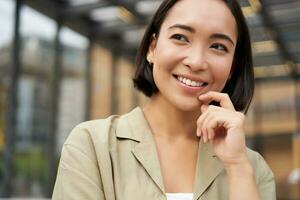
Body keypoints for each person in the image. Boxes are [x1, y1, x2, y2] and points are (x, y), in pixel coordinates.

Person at [52, 0, 276, 199]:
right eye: (180, 37)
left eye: (218, 46)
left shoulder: (253, 169)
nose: (196, 61)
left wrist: (237, 168)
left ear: (231, 67)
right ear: (152, 48)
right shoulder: (92, 145)